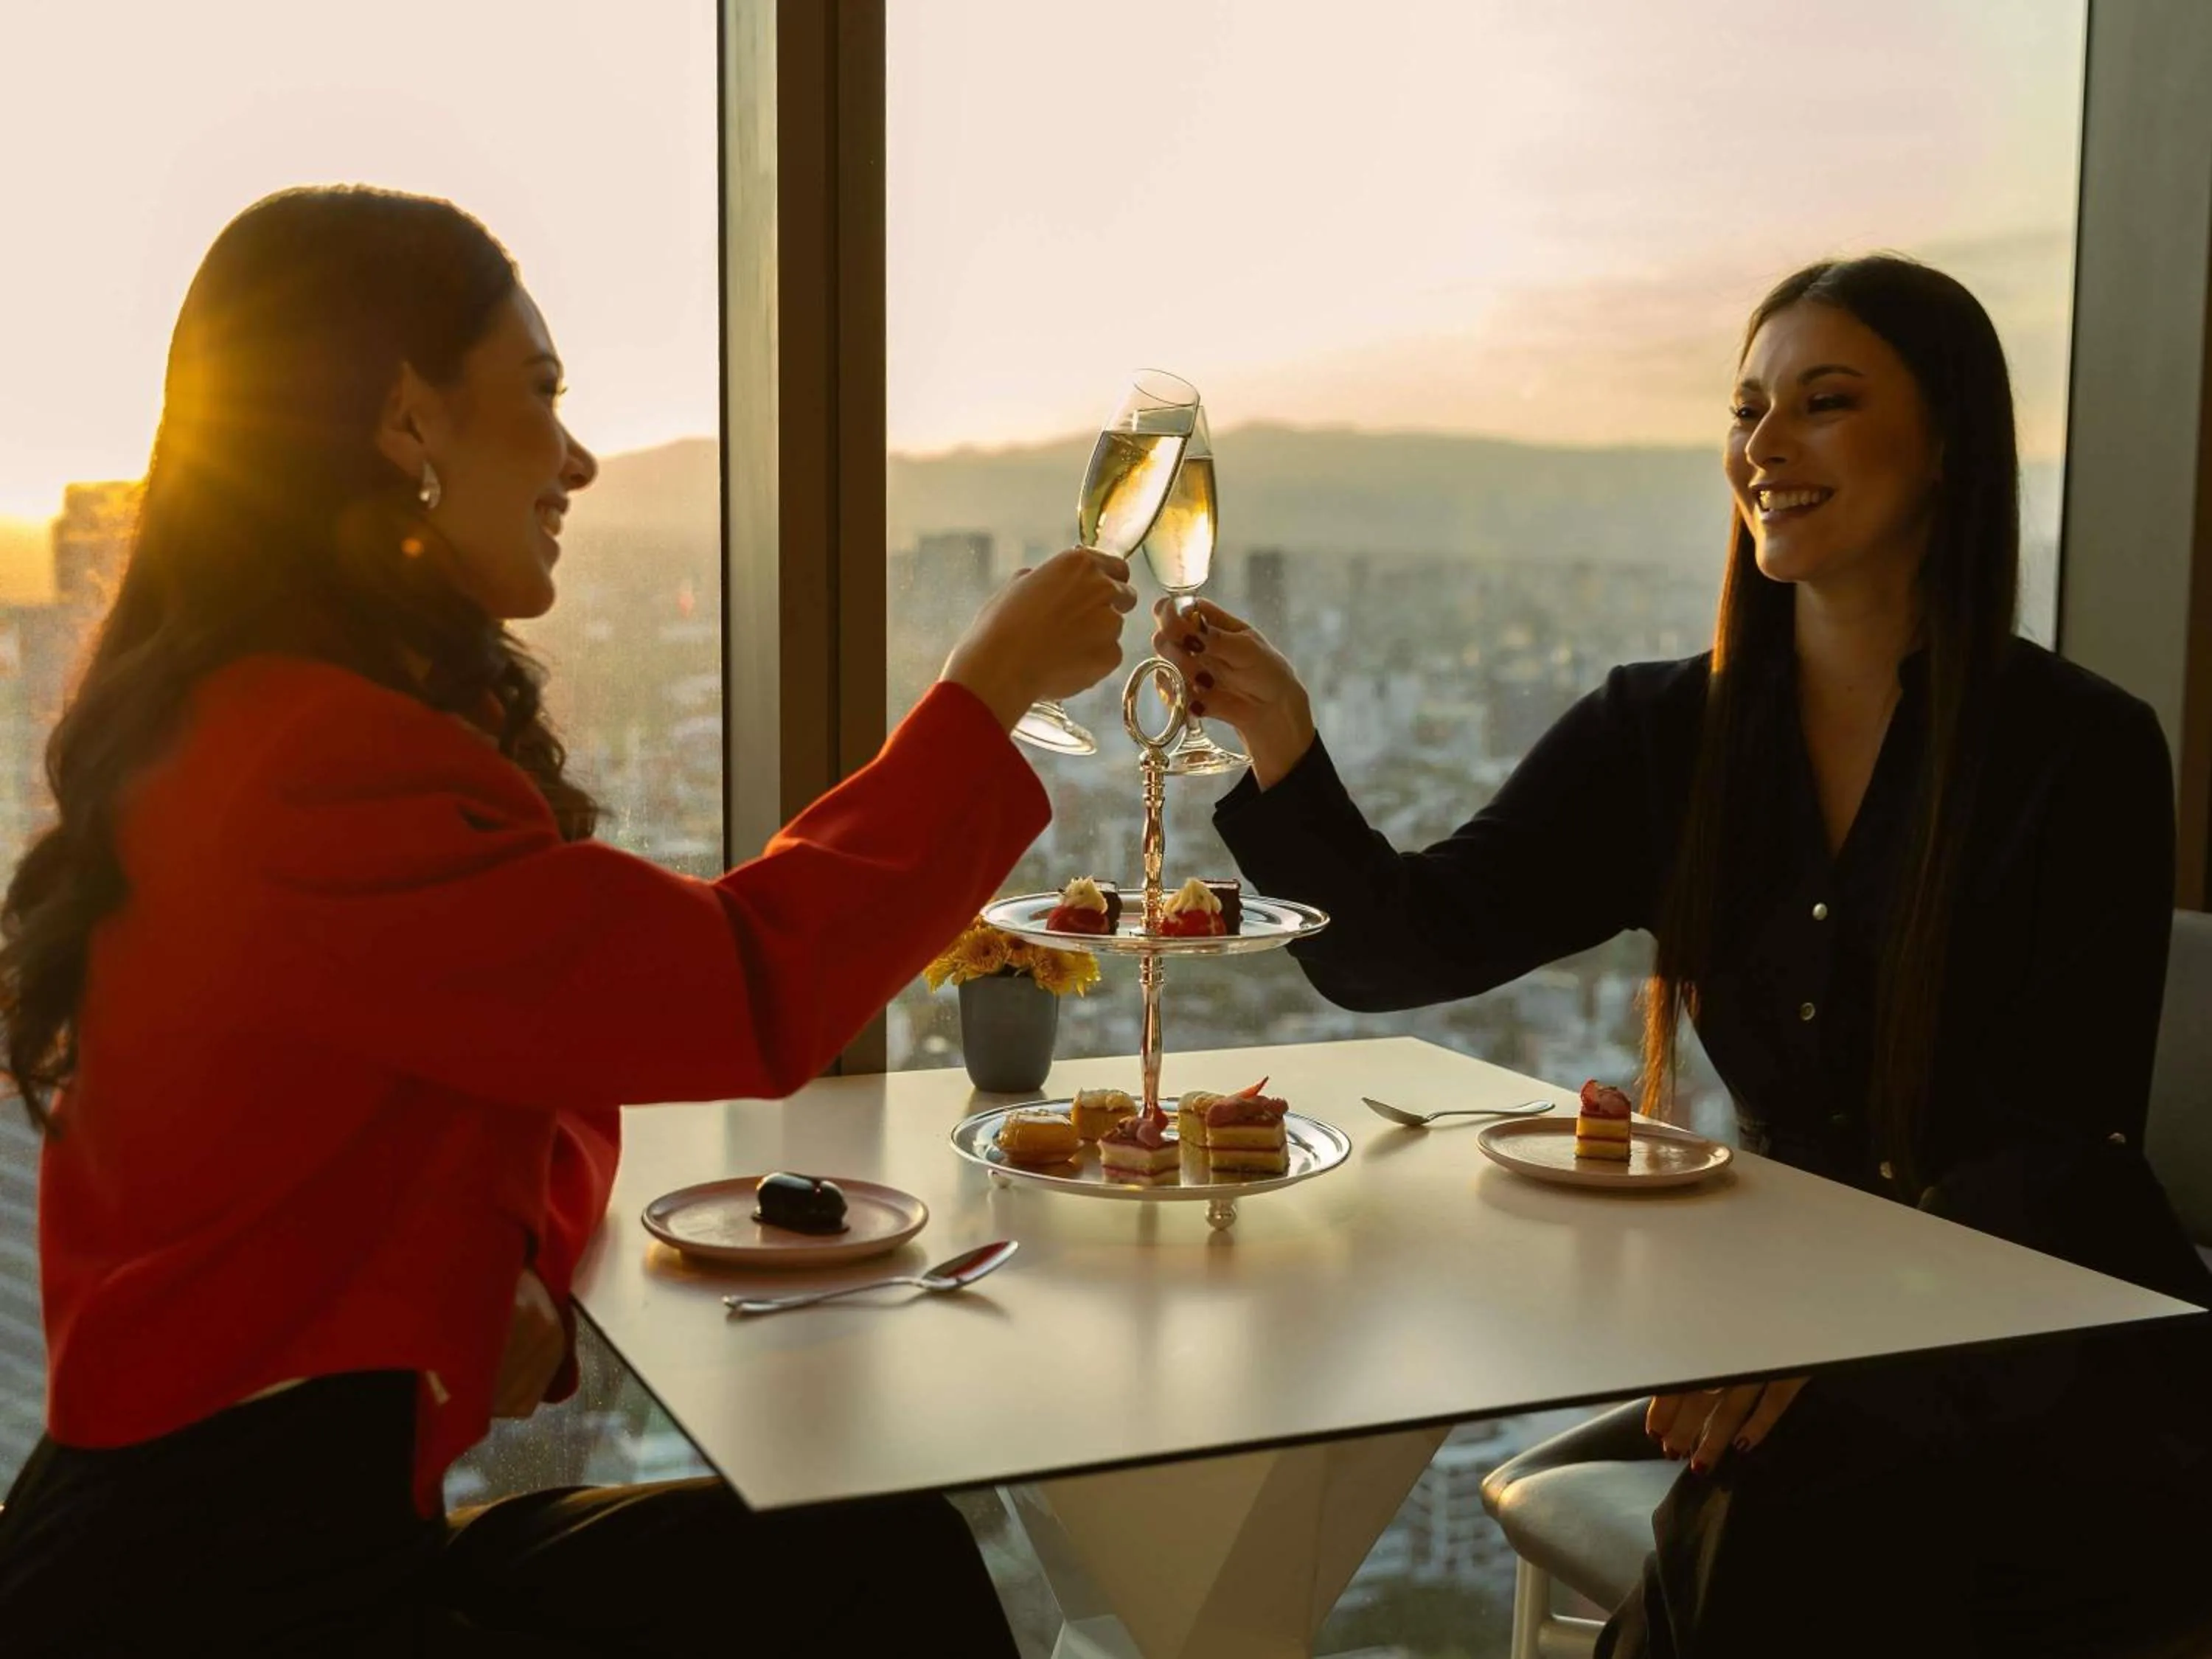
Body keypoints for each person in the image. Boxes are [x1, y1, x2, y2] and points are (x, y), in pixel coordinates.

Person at [0, 185, 1135, 1655]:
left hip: (275, 1548)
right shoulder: (309, 764)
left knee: (872, 1563)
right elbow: (736, 986)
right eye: (538, 392)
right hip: (216, 1597)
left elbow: (557, 1054)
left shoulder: (253, 727)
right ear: (408, 422)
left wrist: (520, 1265)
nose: (582, 458)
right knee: (868, 1585)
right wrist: (985, 698)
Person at [1153, 254, 2212, 1657]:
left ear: (1949, 438)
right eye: (1747, 408)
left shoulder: (2082, 751)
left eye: (1822, 402)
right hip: (1795, 1342)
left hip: (2040, 1329)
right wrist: (1280, 737)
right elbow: (1404, 946)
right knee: (1788, 1498)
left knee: (1800, 1505)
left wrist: (1828, 1327)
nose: (1764, 446)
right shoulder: (1664, 738)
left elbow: (2055, 1148)